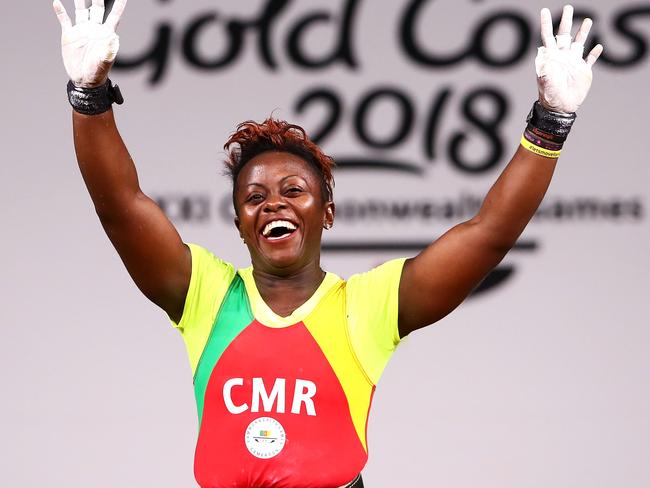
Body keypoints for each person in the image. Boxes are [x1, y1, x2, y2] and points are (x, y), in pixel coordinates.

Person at [53, 1, 603, 487]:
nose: (273, 204)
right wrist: (89, 96)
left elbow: (488, 235)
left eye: (294, 191)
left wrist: (551, 122)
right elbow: (121, 206)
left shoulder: (368, 306)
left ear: (328, 214)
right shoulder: (205, 295)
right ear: (240, 222)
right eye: (254, 196)